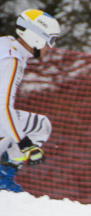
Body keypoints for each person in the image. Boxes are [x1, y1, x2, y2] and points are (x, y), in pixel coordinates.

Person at [0, 9, 60, 192]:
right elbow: (2, 106)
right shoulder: (12, 59)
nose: (50, 47)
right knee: (41, 125)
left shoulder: (4, 43)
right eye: (50, 40)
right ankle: (3, 179)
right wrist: (26, 145)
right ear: (36, 37)